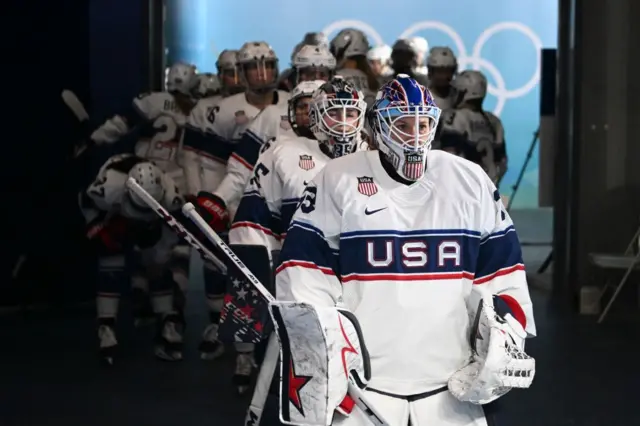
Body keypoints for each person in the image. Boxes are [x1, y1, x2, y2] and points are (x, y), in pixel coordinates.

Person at [271, 74, 535, 425]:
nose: (414, 135)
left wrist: (505, 333)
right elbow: (304, 272)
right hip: (364, 385)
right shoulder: (336, 178)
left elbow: (503, 274)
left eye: (423, 123)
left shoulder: (469, 180)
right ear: (380, 125)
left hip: (450, 386)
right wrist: (322, 355)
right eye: (402, 123)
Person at [223, 76, 367, 394]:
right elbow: (252, 223)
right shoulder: (282, 154)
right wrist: (258, 280)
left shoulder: (378, 157)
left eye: (350, 113)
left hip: (365, 283)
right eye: (333, 113)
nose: (343, 124)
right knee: (310, 379)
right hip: (306, 283)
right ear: (315, 115)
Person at [182, 41, 290, 361]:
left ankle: (281, 348)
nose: (262, 74)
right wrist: (218, 203)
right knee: (241, 275)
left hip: (285, 204)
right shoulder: (225, 111)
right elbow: (214, 163)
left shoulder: (295, 103)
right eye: (253, 67)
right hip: (243, 204)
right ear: (240, 73)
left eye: (268, 66)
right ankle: (240, 350)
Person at [201, 45, 336, 236]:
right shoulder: (273, 115)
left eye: (321, 73)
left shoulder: (346, 117)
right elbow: (241, 171)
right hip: (280, 214)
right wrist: (218, 199)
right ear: (295, 76)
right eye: (307, 73)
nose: (315, 80)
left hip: (331, 213)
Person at [79, 154, 186, 365]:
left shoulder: (171, 195)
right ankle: (106, 326)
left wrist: (160, 255)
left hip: (153, 220)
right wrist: (95, 226)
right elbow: (84, 201)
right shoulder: (108, 188)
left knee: (158, 262)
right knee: (111, 259)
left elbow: (173, 229)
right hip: (115, 213)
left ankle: (166, 320)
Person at [90, 62, 198, 145]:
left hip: (148, 164)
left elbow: (122, 123)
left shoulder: (154, 100)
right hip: (180, 169)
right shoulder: (198, 108)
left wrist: (95, 138)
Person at [440, 70, 507, 183]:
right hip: (487, 189)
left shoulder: (455, 117)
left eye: (456, 91)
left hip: (462, 188)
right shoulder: (494, 121)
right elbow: (502, 163)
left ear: (464, 92)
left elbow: (448, 158)